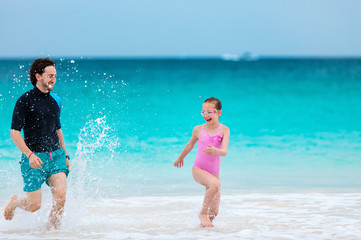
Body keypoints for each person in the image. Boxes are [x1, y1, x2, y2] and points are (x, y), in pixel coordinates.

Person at [3, 58, 70, 229]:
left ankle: (51, 233)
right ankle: (16, 202)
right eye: (49, 76)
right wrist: (29, 155)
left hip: (56, 156)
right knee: (34, 206)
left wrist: (65, 154)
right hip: (34, 159)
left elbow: (58, 130)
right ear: (38, 76)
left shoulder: (56, 100)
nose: (53, 79)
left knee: (61, 198)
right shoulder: (24, 100)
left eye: (55, 76)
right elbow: (14, 133)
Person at [174, 97, 230, 227]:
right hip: (198, 169)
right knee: (215, 184)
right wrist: (181, 157)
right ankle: (202, 213)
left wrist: (215, 150)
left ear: (218, 113)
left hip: (214, 173)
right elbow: (190, 145)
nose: (206, 115)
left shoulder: (224, 130)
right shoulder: (198, 129)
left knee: (214, 213)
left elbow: (224, 152)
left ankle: (203, 232)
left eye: (210, 112)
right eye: (203, 112)